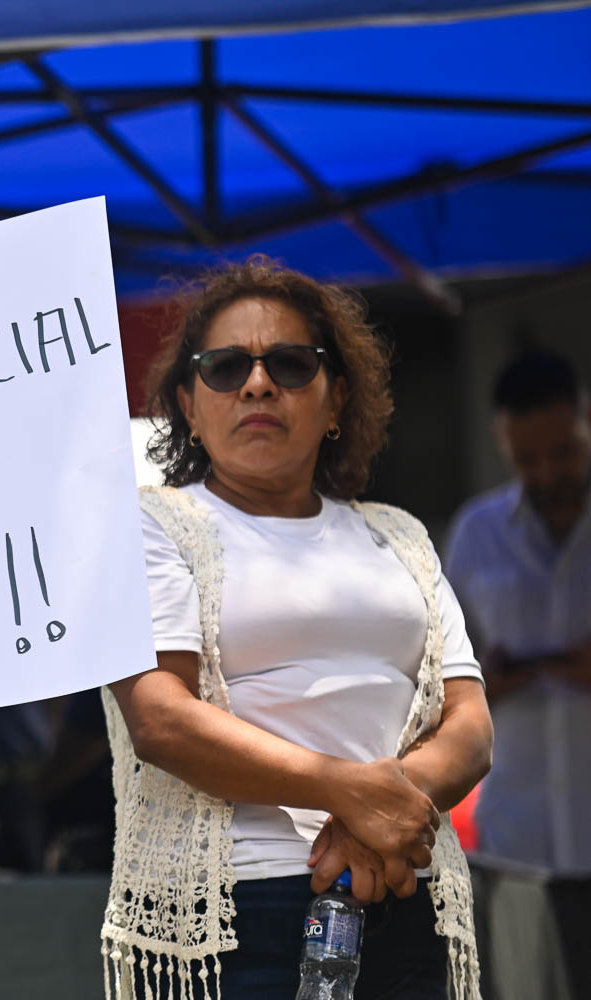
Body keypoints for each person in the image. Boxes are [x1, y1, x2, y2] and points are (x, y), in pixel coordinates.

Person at [104, 257, 493, 999]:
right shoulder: (153, 525)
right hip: (243, 910)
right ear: (188, 403)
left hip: (406, 891)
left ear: (337, 398)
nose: (256, 384)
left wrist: (379, 813)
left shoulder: (400, 535)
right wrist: (350, 793)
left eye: (289, 363)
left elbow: (470, 725)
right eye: (224, 367)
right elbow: (160, 719)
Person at [444, 350, 591, 996]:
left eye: (563, 453)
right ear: (503, 445)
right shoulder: (476, 533)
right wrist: (484, 682)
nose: (548, 473)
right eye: (527, 460)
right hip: (515, 843)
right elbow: (439, 679)